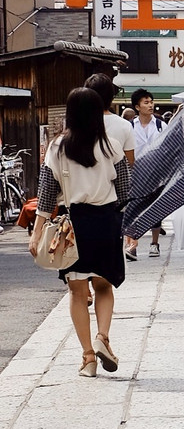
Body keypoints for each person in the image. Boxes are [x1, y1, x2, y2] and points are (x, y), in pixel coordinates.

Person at [29, 87, 130, 378]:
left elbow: (47, 196)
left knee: (76, 293)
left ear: (70, 114)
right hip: (107, 222)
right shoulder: (111, 145)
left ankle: (88, 358)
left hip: (74, 225)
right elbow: (125, 191)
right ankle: (103, 337)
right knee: (103, 286)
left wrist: (36, 235)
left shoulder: (57, 148)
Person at [125, 88, 167, 260]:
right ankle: (133, 245)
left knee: (155, 207)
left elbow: (167, 147)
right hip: (135, 172)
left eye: (151, 101)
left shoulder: (160, 125)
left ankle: (154, 243)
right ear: (137, 106)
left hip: (156, 172)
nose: (150, 105)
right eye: (146, 102)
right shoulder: (129, 126)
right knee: (134, 208)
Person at [84, 74, 135, 170]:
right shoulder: (124, 125)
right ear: (111, 97)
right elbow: (130, 163)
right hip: (113, 182)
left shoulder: (78, 124)